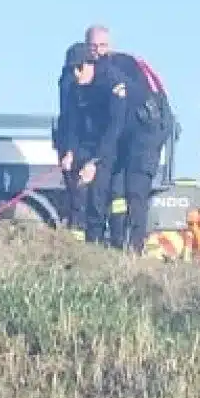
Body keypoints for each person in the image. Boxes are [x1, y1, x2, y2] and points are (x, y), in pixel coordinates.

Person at [69, 36, 174, 252]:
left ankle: (135, 249)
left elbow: (113, 127)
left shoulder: (112, 81)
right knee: (113, 189)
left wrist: (94, 162)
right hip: (125, 136)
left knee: (135, 190)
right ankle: (113, 245)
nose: (75, 74)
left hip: (146, 132)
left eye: (79, 68)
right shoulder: (88, 85)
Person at [52, 42, 94, 237]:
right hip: (74, 145)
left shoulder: (99, 82)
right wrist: (69, 151)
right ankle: (78, 235)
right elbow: (71, 119)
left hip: (83, 147)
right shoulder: (70, 85)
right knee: (77, 195)